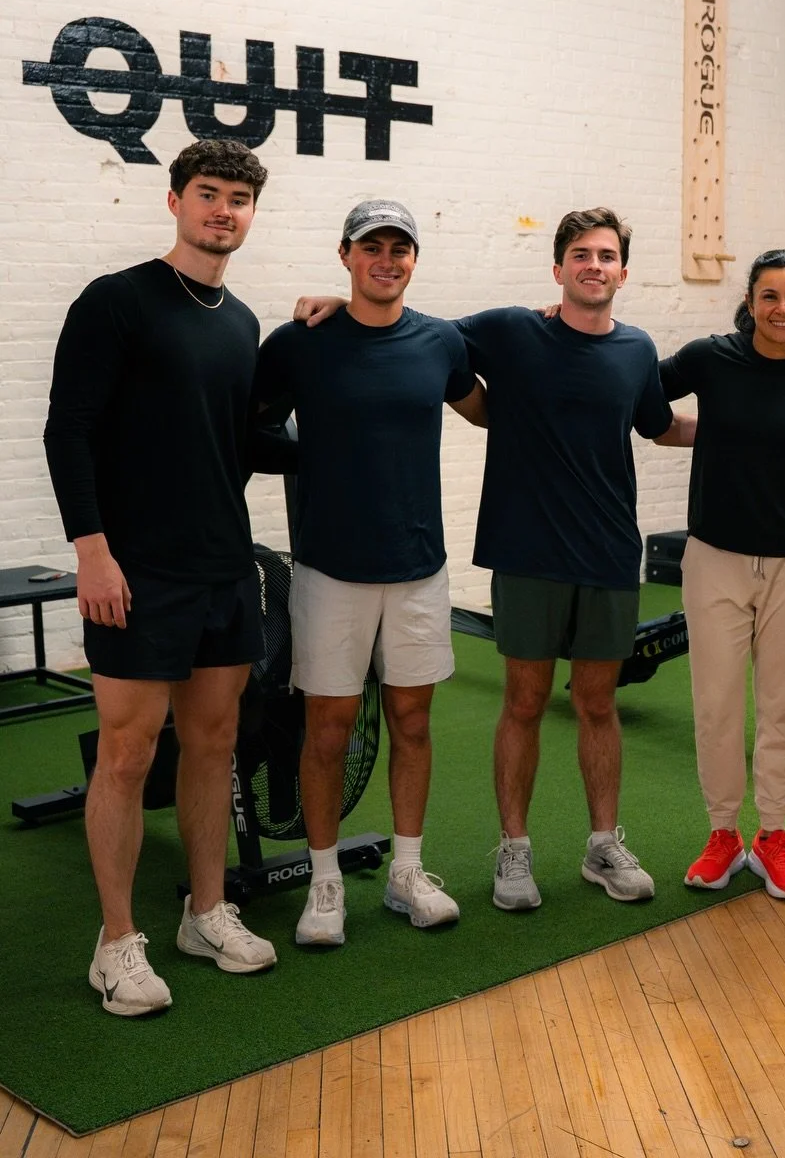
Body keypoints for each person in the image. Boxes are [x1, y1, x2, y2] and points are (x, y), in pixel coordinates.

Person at [300, 209, 686, 909]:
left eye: (605, 255)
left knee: (598, 704)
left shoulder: (636, 350)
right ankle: (515, 851)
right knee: (526, 701)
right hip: (527, 550)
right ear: (559, 268)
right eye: (580, 254)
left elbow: (661, 427)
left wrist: (757, 430)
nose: (593, 264)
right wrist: (341, 306)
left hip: (607, 555)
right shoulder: (512, 330)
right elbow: (414, 329)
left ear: (623, 272)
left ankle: (603, 846)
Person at [44, 139, 280, 1016]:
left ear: (252, 214)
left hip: (224, 565)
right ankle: (116, 941)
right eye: (208, 194)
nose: (224, 210)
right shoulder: (117, 303)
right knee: (127, 752)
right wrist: (92, 550)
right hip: (136, 569)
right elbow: (68, 431)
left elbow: (241, 443)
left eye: (239, 199)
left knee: (215, 747)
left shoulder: (243, 321)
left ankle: (205, 911)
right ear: (174, 200)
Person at [254, 200, 485, 947]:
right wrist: (310, 457)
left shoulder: (442, 343)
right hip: (329, 571)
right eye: (372, 247)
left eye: (400, 248)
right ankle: (324, 883)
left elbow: (486, 408)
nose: (386, 259)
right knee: (327, 730)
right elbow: (250, 422)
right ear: (346, 255)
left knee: (412, 723)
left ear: (414, 259)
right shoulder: (299, 343)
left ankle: (406, 872)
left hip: (419, 568)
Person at [660, 250, 785, 899]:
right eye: (769, 296)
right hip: (715, 558)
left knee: (780, 708)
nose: (782, 309)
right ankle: (724, 835)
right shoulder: (709, 359)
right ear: (749, 300)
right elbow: (634, 392)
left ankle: (773, 835)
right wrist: (689, 432)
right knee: (717, 706)